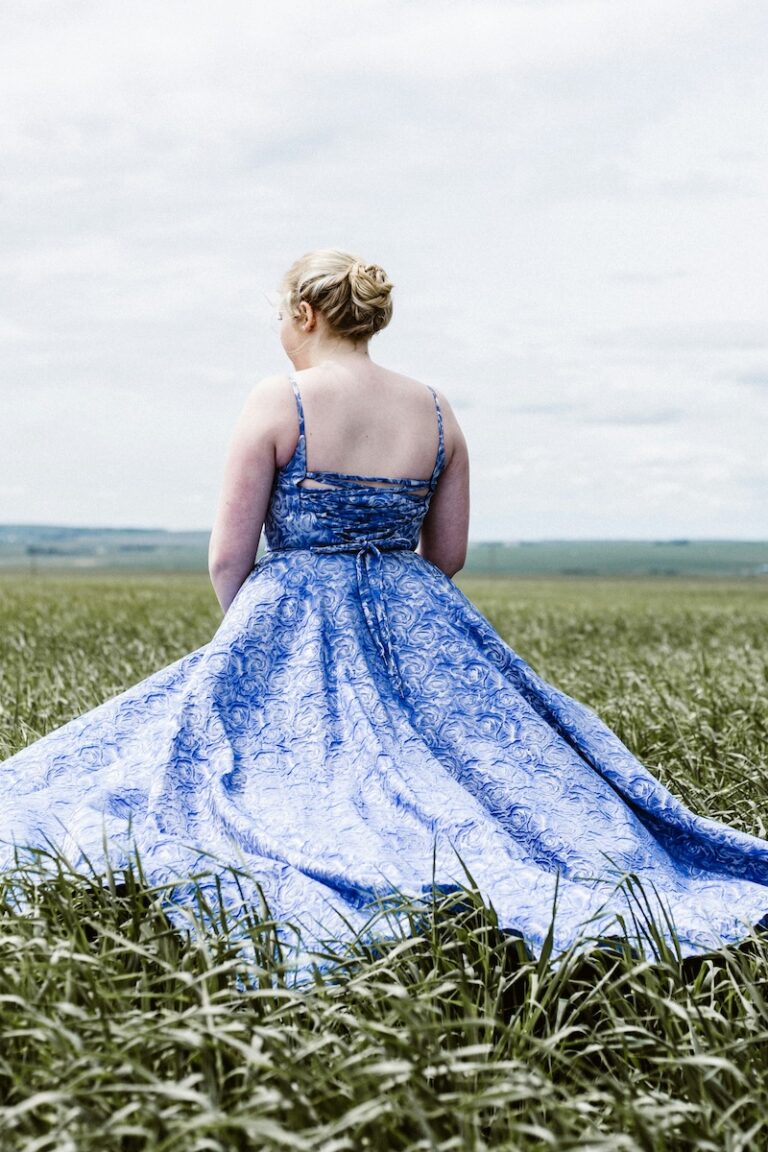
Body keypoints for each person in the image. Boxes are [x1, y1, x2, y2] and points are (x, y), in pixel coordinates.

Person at [2, 247, 768, 981]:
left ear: (305, 312)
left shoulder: (280, 397)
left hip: (290, 607)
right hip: (417, 608)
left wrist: (257, 645)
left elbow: (227, 555)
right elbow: (451, 553)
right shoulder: (434, 409)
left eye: (279, 314)